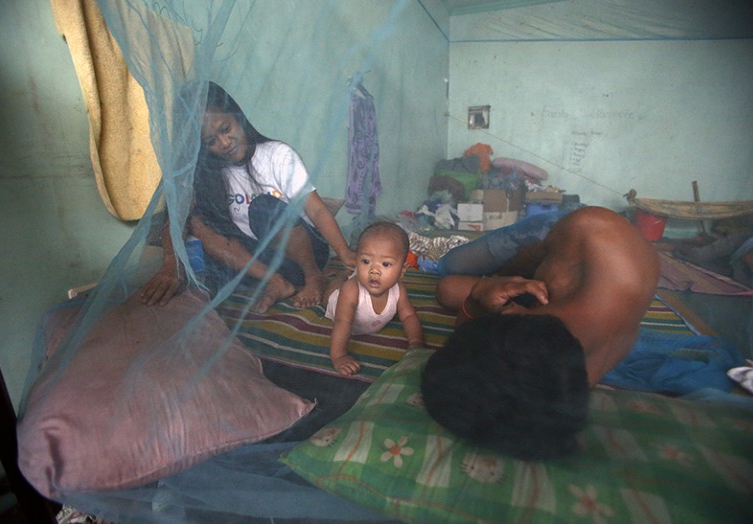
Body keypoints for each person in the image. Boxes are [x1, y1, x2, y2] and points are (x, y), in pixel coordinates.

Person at [421, 206, 660, 460]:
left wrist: (479, 296)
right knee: (449, 267)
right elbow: (528, 256)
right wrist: (501, 278)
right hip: (549, 237)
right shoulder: (588, 228)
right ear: (513, 314)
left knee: (450, 284)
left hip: (557, 279)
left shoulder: (564, 377)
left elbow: (502, 403)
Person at [141, 82, 355, 311]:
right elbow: (176, 218)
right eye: (211, 141)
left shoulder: (277, 155)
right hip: (262, 263)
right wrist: (171, 266)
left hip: (306, 256)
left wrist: (344, 252)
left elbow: (317, 210)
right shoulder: (207, 175)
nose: (224, 143)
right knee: (195, 221)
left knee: (262, 208)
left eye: (226, 129)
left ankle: (314, 278)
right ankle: (277, 283)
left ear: (239, 118)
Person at [323, 222, 424, 376]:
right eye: (366, 261)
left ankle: (343, 275)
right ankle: (339, 277)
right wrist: (339, 356)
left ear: (402, 270)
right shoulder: (352, 290)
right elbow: (342, 322)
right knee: (330, 293)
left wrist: (416, 343)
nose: (374, 270)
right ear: (357, 260)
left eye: (385, 264)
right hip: (337, 303)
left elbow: (409, 316)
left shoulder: (399, 291)